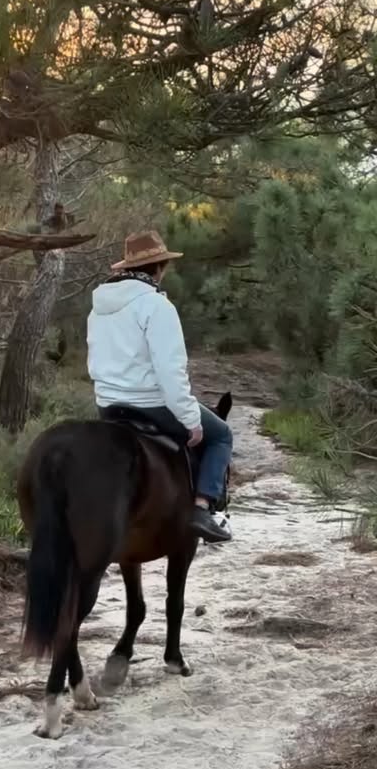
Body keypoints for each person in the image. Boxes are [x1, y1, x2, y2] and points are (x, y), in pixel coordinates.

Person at [87, 229, 233, 545]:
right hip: (151, 404)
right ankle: (202, 509)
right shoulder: (157, 306)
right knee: (221, 434)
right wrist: (191, 421)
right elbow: (170, 372)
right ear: (159, 267)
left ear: (126, 268)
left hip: (108, 407)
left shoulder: (97, 308)